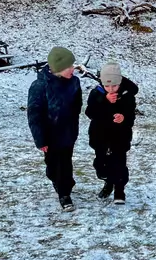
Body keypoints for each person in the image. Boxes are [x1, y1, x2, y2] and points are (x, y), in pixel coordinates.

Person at [27, 46, 82, 212]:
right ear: (57, 69)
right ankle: (57, 181)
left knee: (65, 163)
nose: (73, 69)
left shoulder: (74, 82)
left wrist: (72, 123)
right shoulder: (40, 86)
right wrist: (40, 139)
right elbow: (34, 115)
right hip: (50, 134)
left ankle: (65, 193)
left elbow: (77, 105)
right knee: (53, 165)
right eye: (69, 67)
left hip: (68, 132)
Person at [85, 62, 138, 204]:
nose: (111, 89)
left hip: (120, 137)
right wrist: (104, 100)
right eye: (107, 86)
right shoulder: (97, 93)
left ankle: (119, 190)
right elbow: (90, 112)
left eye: (114, 86)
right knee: (101, 165)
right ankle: (108, 182)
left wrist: (124, 118)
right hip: (100, 136)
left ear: (120, 82)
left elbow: (131, 116)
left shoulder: (127, 95)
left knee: (119, 164)